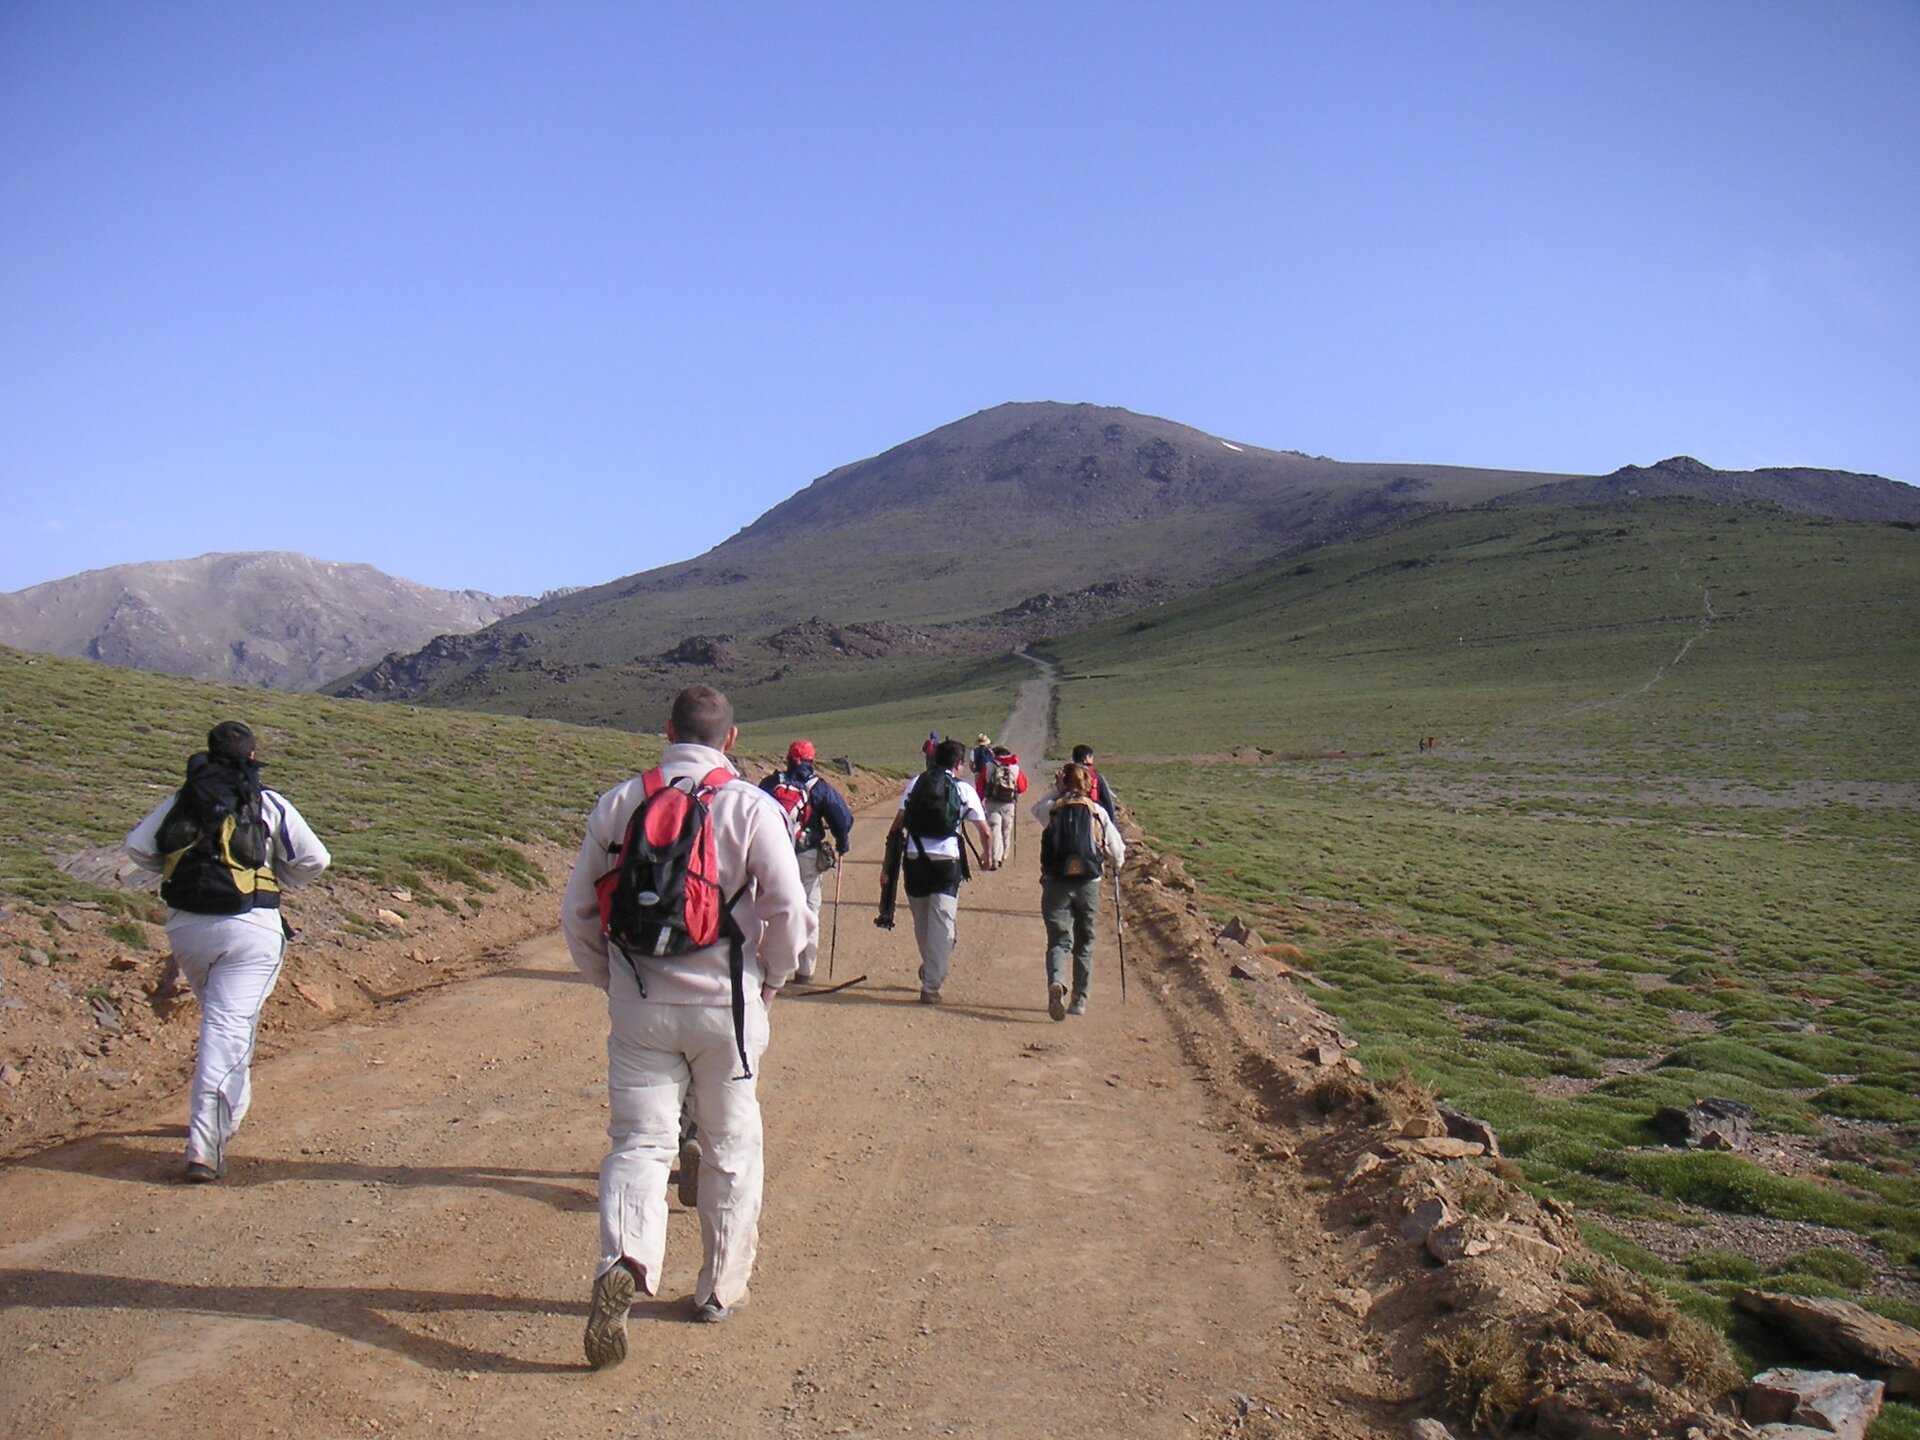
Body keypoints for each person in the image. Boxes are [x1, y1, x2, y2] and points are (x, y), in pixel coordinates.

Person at [561, 685, 812, 1365]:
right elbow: (788, 908)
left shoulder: (619, 802)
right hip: (727, 1005)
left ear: (666, 730)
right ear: (731, 739)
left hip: (639, 1002)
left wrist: (609, 979)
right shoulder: (751, 806)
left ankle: (626, 1259)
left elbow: (578, 912)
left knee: (640, 1143)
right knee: (730, 1146)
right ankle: (719, 1289)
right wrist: (774, 979)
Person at [124, 721, 330, 1182]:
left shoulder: (183, 799)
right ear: (252, 758)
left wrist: (171, 875)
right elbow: (316, 859)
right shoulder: (267, 802)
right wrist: (281, 879)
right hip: (252, 928)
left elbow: (137, 847)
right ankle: (205, 1147)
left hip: (188, 930)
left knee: (226, 1025)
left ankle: (229, 1113)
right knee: (226, 1030)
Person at [885, 737, 994, 1004]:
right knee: (943, 921)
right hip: (946, 862)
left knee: (922, 921)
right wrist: (986, 857)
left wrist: (887, 868)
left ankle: (931, 967)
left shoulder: (915, 784)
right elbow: (986, 832)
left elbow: (897, 826)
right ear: (958, 764)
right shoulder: (963, 789)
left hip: (914, 859)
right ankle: (931, 984)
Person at [1030, 762, 1126, 1019]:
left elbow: (1033, 808)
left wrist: (1055, 791)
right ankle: (1079, 1000)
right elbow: (1117, 852)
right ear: (1088, 784)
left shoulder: (1052, 810)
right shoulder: (1097, 812)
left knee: (1059, 940)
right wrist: (1116, 865)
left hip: (1055, 881)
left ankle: (1057, 982)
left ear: (1064, 781)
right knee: (1085, 942)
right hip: (1088, 883)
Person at [758, 739, 854, 983]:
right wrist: (842, 841)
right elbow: (843, 820)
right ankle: (805, 971)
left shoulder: (770, 784)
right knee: (809, 909)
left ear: (788, 759)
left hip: (773, 854)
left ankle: (768, 966)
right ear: (812, 760)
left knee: (772, 907)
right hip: (806, 855)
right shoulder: (819, 788)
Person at [975, 743, 1029, 866]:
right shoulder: (1015, 768)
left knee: (995, 828)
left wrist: (981, 800)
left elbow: (980, 787)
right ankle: (1004, 855)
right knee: (1006, 830)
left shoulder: (988, 766)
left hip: (992, 803)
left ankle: (995, 857)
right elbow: (1022, 787)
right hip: (1008, 804)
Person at [1070, 743, 1120, 823]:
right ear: (1086, 759)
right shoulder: (1097, 777)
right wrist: (1112, 822)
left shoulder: (1067, 774)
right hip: (1093, 810)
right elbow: (1108, 802)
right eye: (1091, 757)